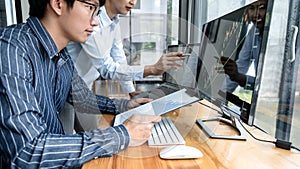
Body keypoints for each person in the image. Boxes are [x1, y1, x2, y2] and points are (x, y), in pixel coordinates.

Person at [0, 0, 161, 168]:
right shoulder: (11, 49)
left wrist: (126, 105)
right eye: (90, 7)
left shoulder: (62, 55)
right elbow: (27, 152)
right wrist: (122, 134)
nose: (96, 21)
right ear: (58, 4)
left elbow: (83, 99)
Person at [65, 0, 184, 132]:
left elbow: (119, 57)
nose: (133, 2)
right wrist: (152, 69)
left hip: (83, 92)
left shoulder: (113, 22)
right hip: (65, 91)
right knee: (66, 140)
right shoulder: (92, 21)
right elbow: (107, 68)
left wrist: (130, 90)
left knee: (93, 135)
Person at [220, 0, 268, 93]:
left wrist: (239, 77)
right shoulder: (253, 32)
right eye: (251, 8)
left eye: (262, 8)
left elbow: (268, 86)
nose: (255, 15)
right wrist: (220, 95)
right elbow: (242, 65)